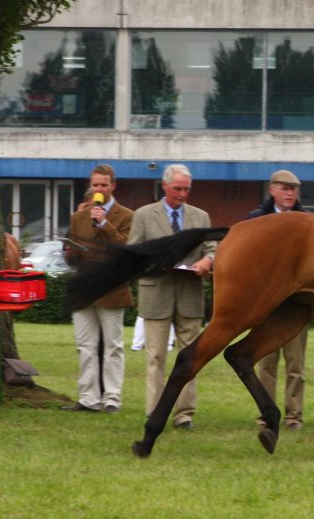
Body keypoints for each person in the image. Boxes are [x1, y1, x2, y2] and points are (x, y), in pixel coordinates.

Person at [128, 164, 216, 429]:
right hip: (157, 293)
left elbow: (213, 247)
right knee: (156, 357)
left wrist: (207, 261)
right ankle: (156, 412)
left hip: (190, 294)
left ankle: (184, 414)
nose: (182, 194)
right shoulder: (143, 215)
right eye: (177, 188)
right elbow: (133, 251)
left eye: (187, 189)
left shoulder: (201, 217)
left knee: (190, 357)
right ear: (164, 186)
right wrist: (155, 263)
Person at [61, 164, 133, 413]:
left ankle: (112, 398)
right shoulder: (78, 217)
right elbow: (72, 254)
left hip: (112, 288)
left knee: (113, 345)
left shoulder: (126, 215)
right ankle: (88, 398)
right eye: (95, 185)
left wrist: (104, 224)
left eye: (103, 185)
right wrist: (70, 253)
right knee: (85, 345)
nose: (99, 189)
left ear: (113, 186)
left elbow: (126, 249)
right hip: (84, 287)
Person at [246, 169, 311, 431]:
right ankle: (266, 412)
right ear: (272, 189)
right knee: (266, 363)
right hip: (266, 305)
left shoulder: (308, 222)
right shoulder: (256, 220)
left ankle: (294, 416)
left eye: (294, 189)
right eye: (285, 188)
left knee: (296, 364)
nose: (290, 193)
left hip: (297, 305)